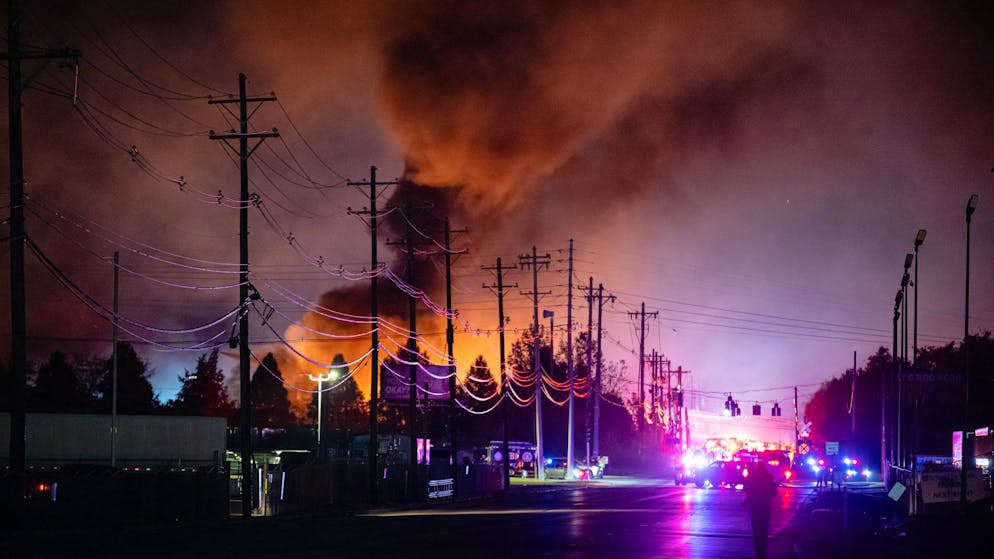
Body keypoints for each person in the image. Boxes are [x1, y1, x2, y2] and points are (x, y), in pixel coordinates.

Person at [743, 462, 777, 559]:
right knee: (764, 528)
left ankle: (758, 549)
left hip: (754, 506)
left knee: (756, 528)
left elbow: (746, 490)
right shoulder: (768, 477)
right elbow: (774, 492)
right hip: (765, 506)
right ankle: (764, 548)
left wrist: (745, 501)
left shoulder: (751, 477)